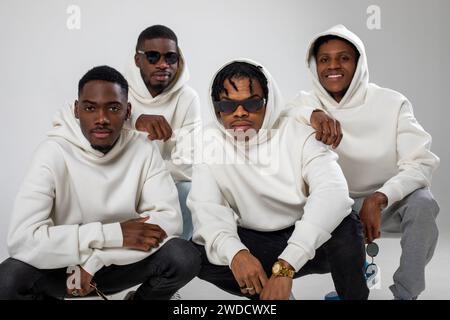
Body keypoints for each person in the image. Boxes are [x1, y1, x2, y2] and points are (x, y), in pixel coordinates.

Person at [0, 66, 200, 300]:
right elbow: (22, 240)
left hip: (118, 263)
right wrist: (112, 234)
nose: (102, 119)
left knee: (183, 256)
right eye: (90, 108)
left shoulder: (143, 149)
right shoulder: (52, 152)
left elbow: (169, 222)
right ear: (77, 110)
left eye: (113, 108)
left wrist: (95, 261)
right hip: (61, 266)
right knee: (7, 279)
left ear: (128, 112)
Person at [188, 59, 369, 300]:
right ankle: (272, 297)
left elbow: (333, 195)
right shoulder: (208, 142)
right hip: (258, 241)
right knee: (197, 254)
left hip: (312, 240)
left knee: (346, 224)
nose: (240, 112)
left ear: (267, 103)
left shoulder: (299, 131)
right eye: (228, 105)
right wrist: (237, 255)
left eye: (252, 103)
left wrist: (286, 265)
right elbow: (207, 210)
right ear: (216, 107)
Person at [288, 25, 440, 300]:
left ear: (358, 63)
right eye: (324, 59)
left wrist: (380, 197)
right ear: (315, 65)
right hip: (330, 206)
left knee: (424, 203)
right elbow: (281, 116)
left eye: (343, 58)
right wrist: (313, 113)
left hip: (384, 205)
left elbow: (420, 163)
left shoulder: (392, 102)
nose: (333, 66)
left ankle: (407, 294)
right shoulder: (304, 103)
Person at [126, 25, 201, 240]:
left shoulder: (187, 98)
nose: (163, 65)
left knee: (189, 190)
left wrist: (144, 177)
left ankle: (176, 252)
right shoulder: (119, 91)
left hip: (167, 184)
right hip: (121, 183)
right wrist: (133, 121)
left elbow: (187, 164)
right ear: (137, 60)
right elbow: (79, 120)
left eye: (170, 57)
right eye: (152, 57)